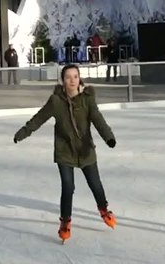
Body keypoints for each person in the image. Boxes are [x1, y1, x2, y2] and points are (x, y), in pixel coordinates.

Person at [13, 64, 117, 243]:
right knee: (68, 187)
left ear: (79, 79)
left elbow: (98, 119)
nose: (72, 80)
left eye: (75, 76)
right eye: (68, 77)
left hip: (85, 150)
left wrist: (109, 137)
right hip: (64, 151)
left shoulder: (87, 99)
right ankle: (65, 221)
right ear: (63, 80)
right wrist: (23, 132)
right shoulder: (56, 101)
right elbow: (38, 119)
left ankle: (103, 209)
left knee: (96, 185)